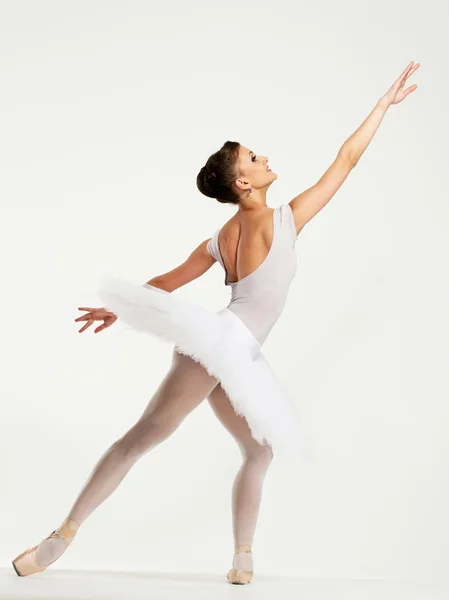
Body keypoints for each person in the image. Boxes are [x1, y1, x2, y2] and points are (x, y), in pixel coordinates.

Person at [12, 60, 419, 585]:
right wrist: (381, 107)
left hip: (236, 353)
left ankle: (243, 558)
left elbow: (167, 281)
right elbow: (346, 159)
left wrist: (126, 305)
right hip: (221, 343)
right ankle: (60, 537)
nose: (265, 156)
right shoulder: (286, 220)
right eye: (254, 156)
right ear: (244, 182)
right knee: (142, 438)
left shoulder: (223, 235)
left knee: (258, 449)